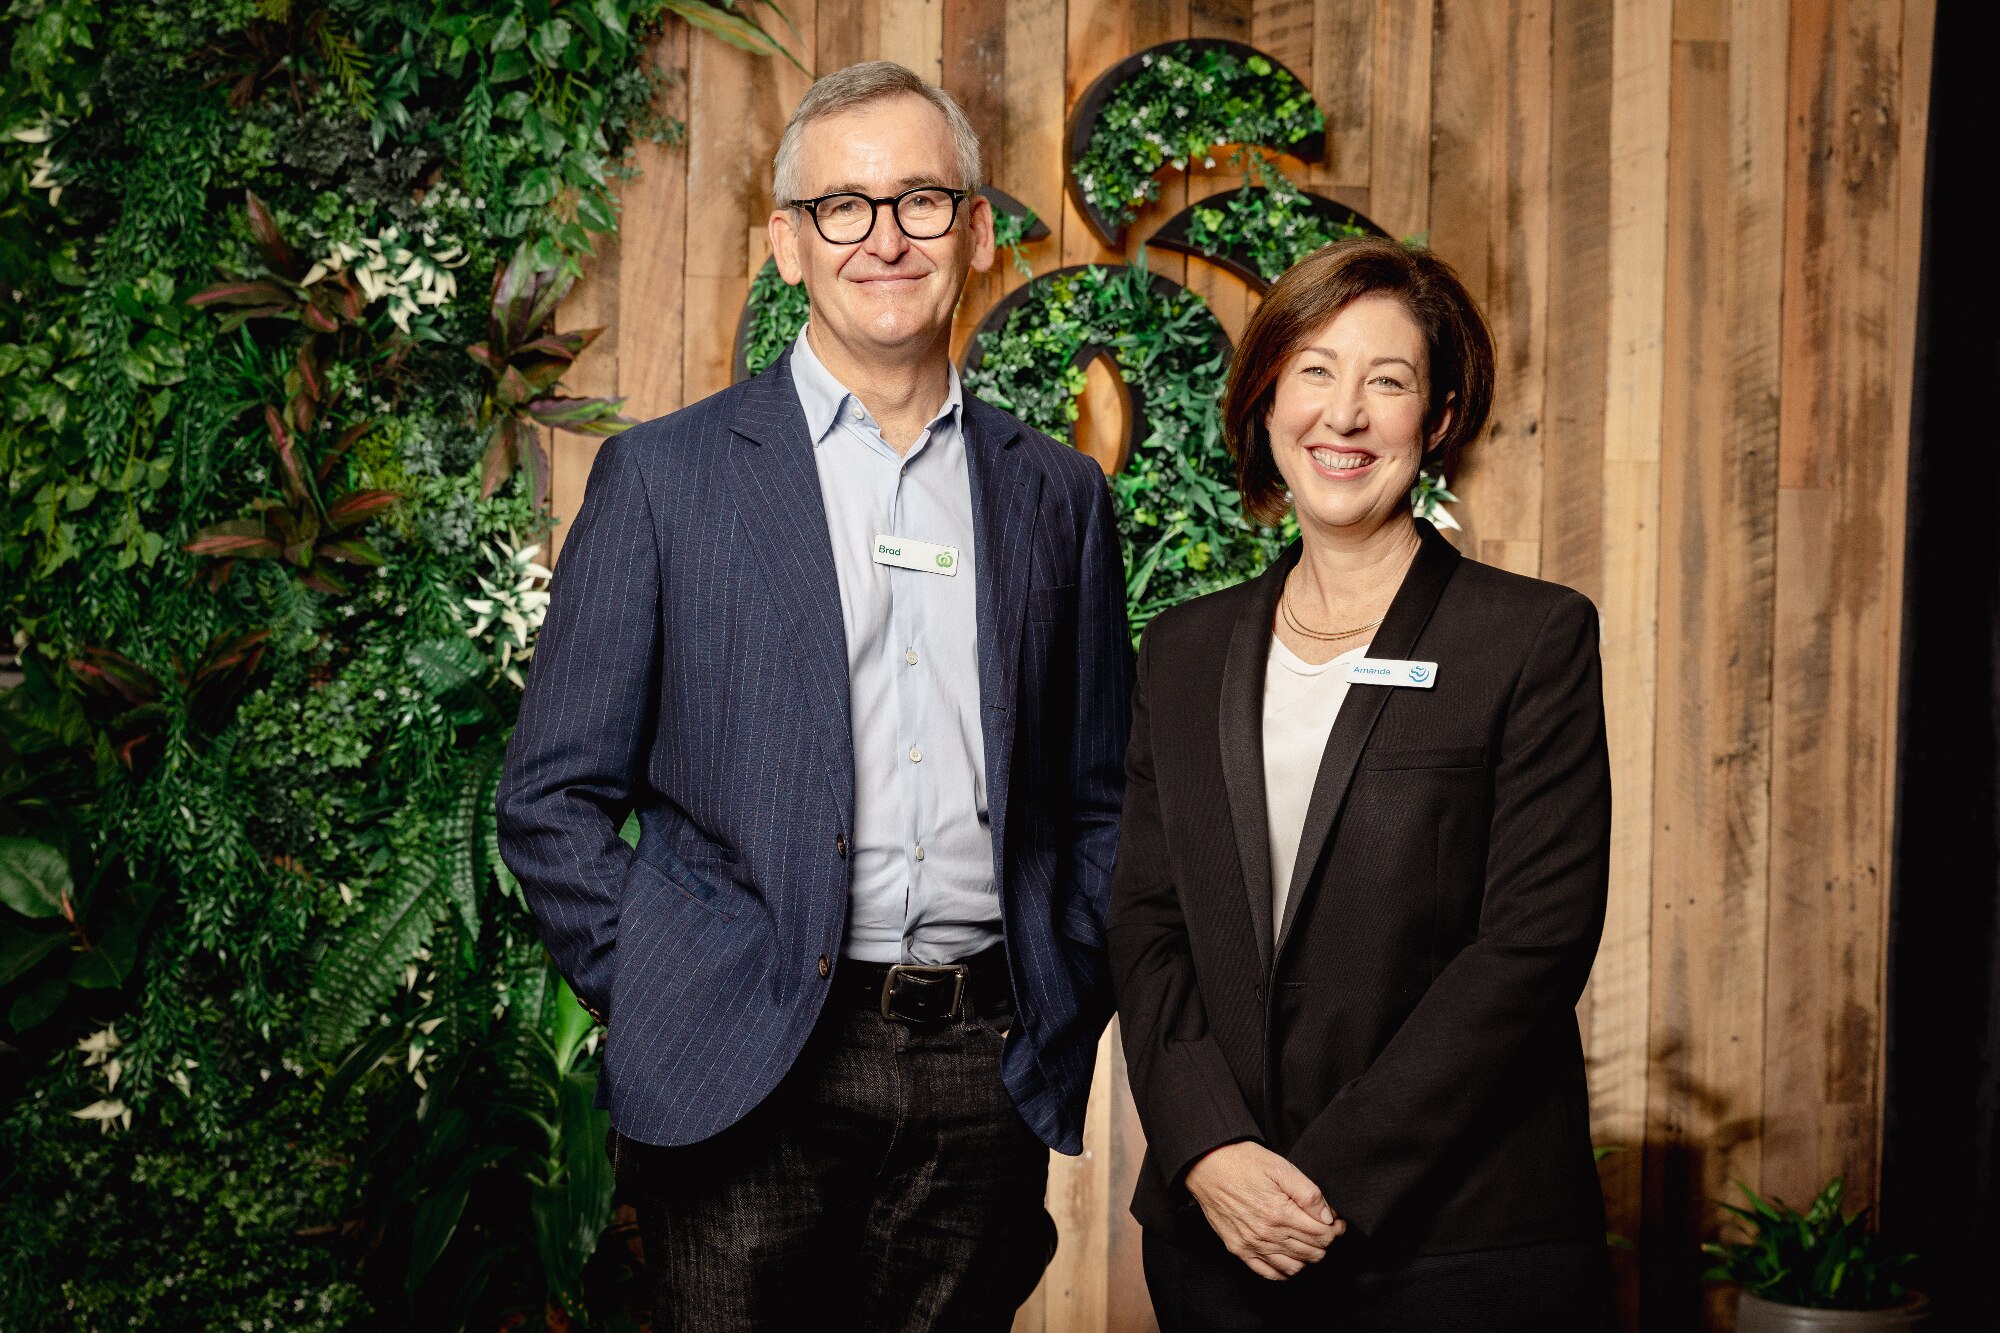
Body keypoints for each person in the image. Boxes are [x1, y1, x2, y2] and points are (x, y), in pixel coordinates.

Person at [496, 61, 1131, 1332]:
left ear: (977, 231)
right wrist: (669, 981)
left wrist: (1060, 977)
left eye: (919, 201)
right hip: (743, 1062)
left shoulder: (1055, 494)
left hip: (981, 1066)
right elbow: (550, 796)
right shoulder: (665, 480)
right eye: (842, 207)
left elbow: (1099, 792)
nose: (882, 238)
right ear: (787, 245)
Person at [1108, 236, 1614, 1331]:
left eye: (1386, 381)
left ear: (1437, 419)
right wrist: (1210, 1147)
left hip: (1458, 1241)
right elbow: (1147, 923)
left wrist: (1326, 1179)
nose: (1342, 415)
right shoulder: (1184, 652)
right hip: (1219, 1233)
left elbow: (1531, 944)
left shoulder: (1527, 639)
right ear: (1267, 401)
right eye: (1314, 371)